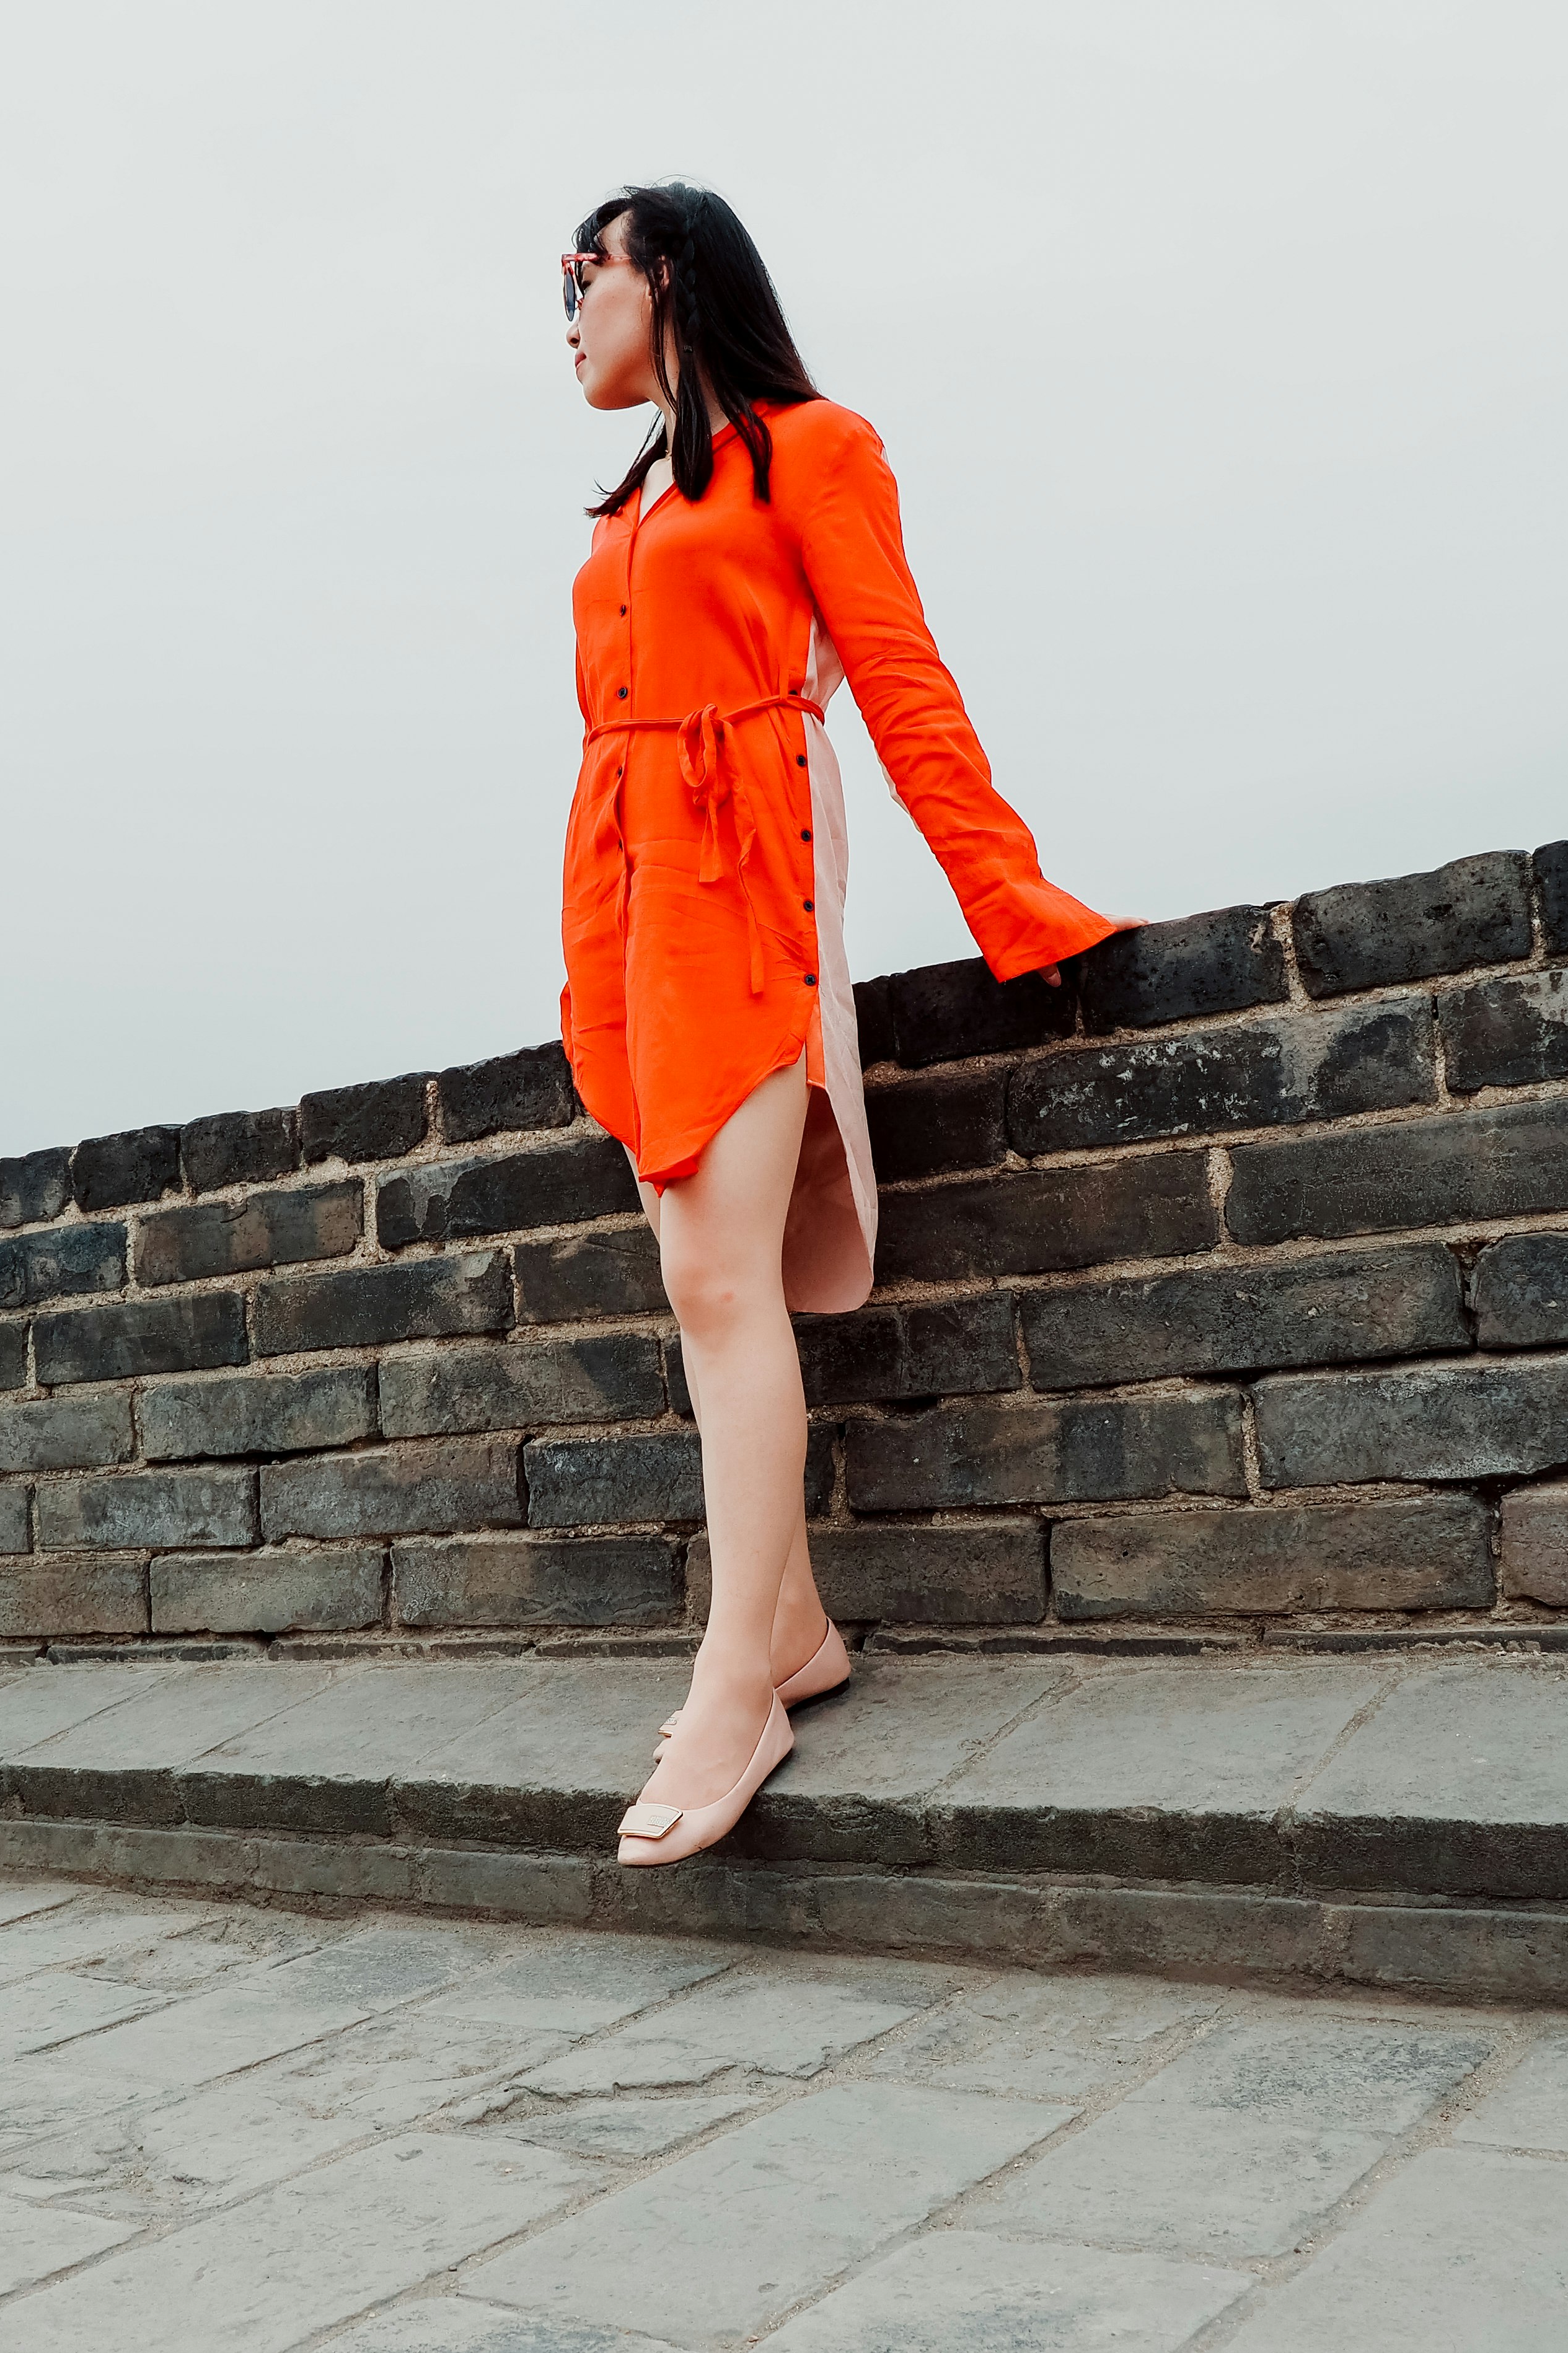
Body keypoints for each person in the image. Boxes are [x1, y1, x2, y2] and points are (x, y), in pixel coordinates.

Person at [560, 182, 1122, 1868]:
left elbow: (897, 673)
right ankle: (791, 1622)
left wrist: (1007, 899)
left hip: (749, 876)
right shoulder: (632, 502)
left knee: (726, 1280)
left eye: (581, 272)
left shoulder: (814, 448)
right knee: (691, 1276)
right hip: (634, 901)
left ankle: (741, 1677)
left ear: (672, 272)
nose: (568, 308)